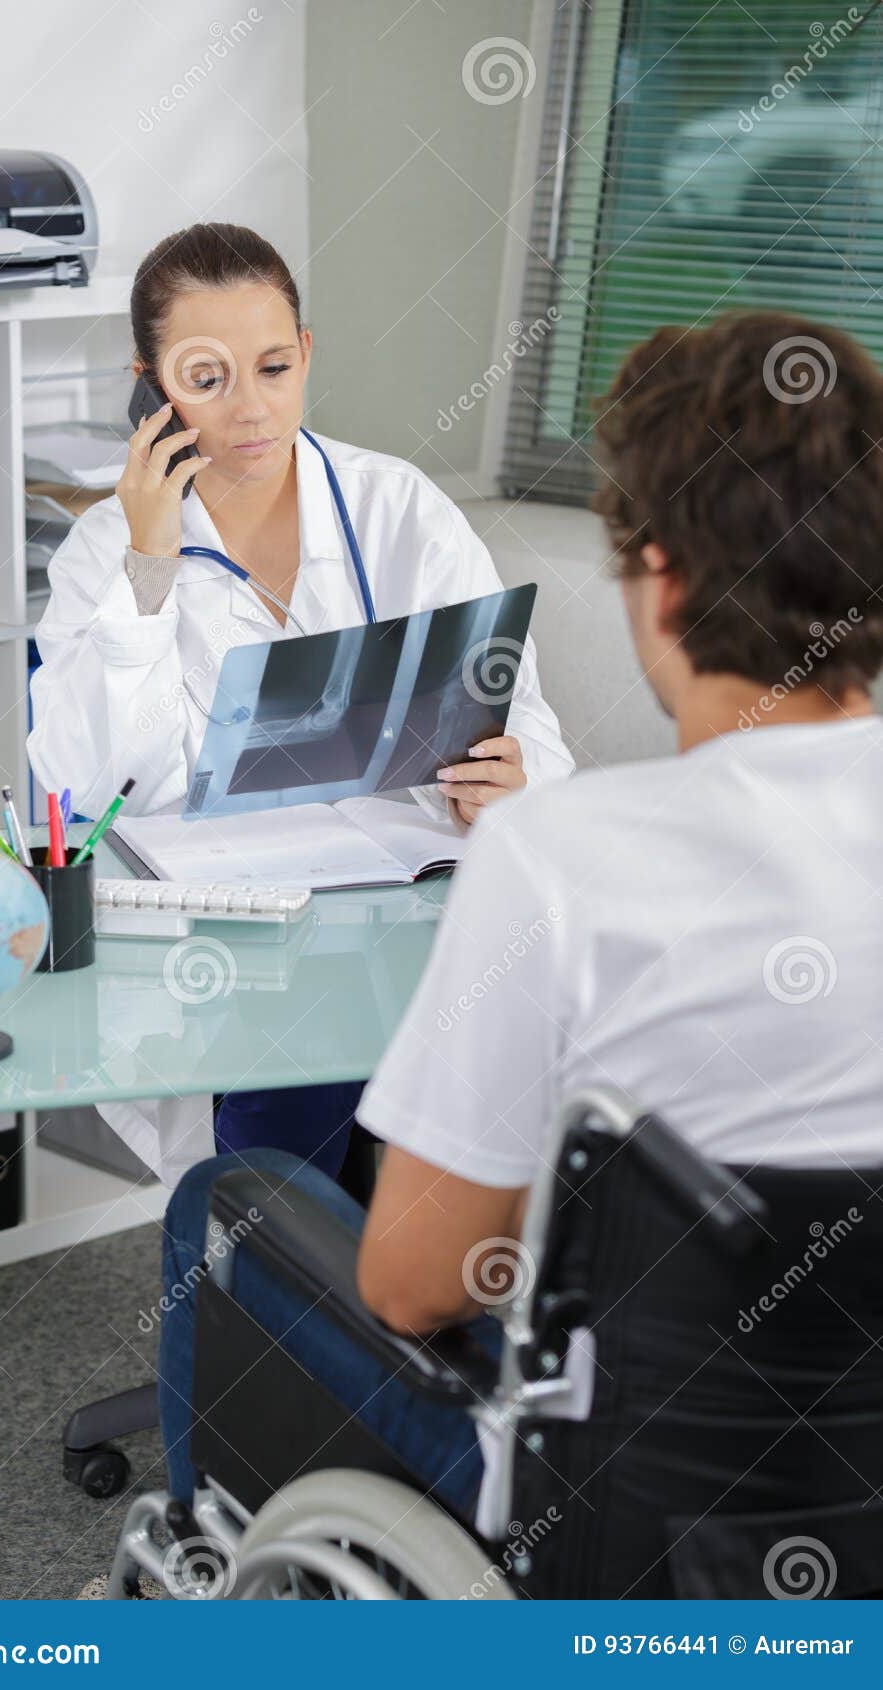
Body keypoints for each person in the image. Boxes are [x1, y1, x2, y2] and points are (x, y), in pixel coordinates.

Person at [158, 307, 883, 1525]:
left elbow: (413, 1288)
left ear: (660, 583)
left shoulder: (560, 860)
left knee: (224, 1204)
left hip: (616, 1519)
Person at [28, 223, 572, 1184]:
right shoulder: (103, 553)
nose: (251, 407)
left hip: (406, 915)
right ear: (149, 386)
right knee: (293, 1152)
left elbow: (519, 713)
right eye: (206, 378)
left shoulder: (397, 508)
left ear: (307, 355)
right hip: (230, 943)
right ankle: (279, 1253)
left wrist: (513, 777)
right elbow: (99, 795)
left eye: (274, 367)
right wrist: (149, 567)